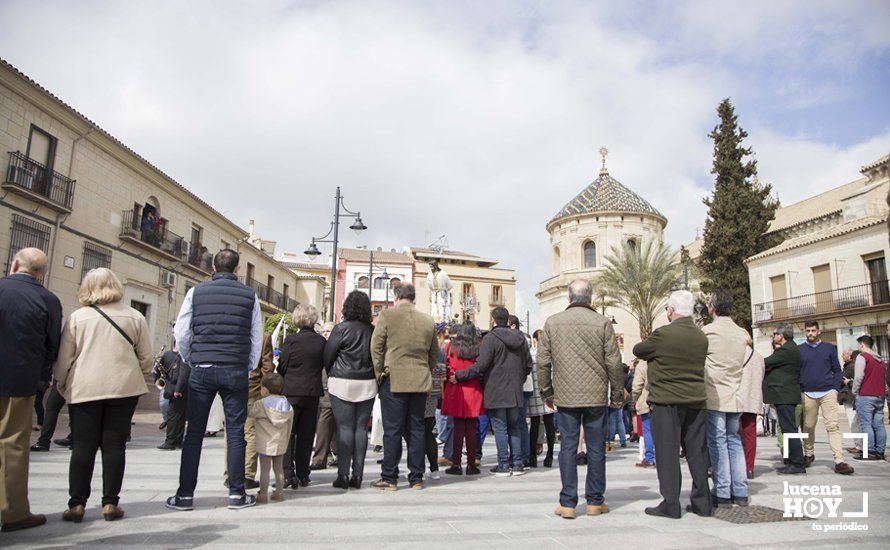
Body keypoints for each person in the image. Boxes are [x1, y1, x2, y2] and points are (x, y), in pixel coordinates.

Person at [166, 249, 264, 512]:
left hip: (202, 368)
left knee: (194, 433)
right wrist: (248, 366)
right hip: (235, 369)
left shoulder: (195, 293)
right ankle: (236, 494)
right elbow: (257, 336)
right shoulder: (249, 296)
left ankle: (185, 495)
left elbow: (182, 333)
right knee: (235, 432)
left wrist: (191, 358)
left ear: (213, 267)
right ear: (237, 269)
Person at [54, 268, 153, 522]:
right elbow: (146, 358)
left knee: (82, 446)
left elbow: (64, 359)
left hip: (85, 388)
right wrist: (133, 373)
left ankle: (76, 504)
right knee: (115, 446)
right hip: (123, 389)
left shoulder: (78, 317)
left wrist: (62, 384)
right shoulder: (135, 317)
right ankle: (110, 503)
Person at [537, 280, 622, 519]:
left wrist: (547, 391)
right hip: (596, 396)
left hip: (565, 396)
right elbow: (614, 363)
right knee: (596, 449)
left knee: (568, 447)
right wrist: (617, 395)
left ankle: (568, 503)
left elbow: (542, 362)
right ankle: (595, 502)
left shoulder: (553, 323)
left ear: (569, 298)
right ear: (591, 298)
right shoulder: (603, 323)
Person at [633, 290, 711, 519]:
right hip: (696, 400)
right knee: (697, 452)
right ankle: (702, 502)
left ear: (671, 311)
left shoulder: (663, 335)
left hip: (667, 401)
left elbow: (639, 350)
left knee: (667, 453)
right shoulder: (701, 337)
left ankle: (671, 503)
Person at [0, 248, 62, 532]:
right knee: (12, 444)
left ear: (14, 264)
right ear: (42, 273)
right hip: (20, 382)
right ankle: (13, 513)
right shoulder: (48, 299)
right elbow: (52, 346)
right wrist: (42, 378)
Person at [370, 284, 438, 490]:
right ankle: (416, 478)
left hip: (394, 378)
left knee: (392, 430)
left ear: (397, 296)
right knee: (417, 429)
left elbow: (376, 348)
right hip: (419, 380)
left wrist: (379, 373)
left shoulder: (387, 316)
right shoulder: (428, 320)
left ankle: (390, 477)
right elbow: (434, 354)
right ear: (413, 297)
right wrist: (425, 370)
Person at [454, 307, 531, 477]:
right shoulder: (521, 338)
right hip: (515, 391)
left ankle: (503, 464)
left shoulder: (490, 339)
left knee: (500, 428)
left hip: (496, 391)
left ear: (493, 320)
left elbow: (481, 366)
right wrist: (519, 380)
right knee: (514, 427)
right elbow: (528, 365)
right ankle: (517, 463)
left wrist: (460, 375)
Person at [701, 289, 750, 508]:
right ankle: (740, 490)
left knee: (717, 441)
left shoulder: (709, 332)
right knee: (735, 441)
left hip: (715, 394)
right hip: (736, 393)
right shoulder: (742, 333)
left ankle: (722, 489)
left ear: (713, 307)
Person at [324, 291, 377, 489]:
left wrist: (332, 372)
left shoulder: (340, 329)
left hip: (341, 381)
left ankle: (343, 475)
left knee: (344, 428)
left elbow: (328, 355)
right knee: (361, 428)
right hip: (367, 382)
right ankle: (358, 475)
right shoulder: (372, 330)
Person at [278, 304, 326, 488]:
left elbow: (282, 366)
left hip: (291, 391)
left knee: (288, 434)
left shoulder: (291, 340)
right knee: (306, 435)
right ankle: (303, 474)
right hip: (312, 392)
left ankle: (288, 474)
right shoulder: (321, 342)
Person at [798, 321, 853, 475]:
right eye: (807, 331)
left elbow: (837, 370)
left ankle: (839, 460)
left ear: (819, 331)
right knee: (808, 426)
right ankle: (809, 454)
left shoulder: (829, 348)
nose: (810, 333)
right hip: (807, 393)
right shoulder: (800, 350)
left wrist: (835, 389)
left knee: (832, 426)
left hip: (828, 392)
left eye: (813, 330)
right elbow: (796, 371)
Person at [442, 323, 484, 475]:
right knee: (472, 429)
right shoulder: (477, 349)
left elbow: (447, 366)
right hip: (473, 389)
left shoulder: (452, 348)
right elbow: (480, 369)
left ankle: (456, 463)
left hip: (456, 389)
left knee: (458, 428)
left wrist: (453, 377)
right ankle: (471, 464)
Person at [764, 324, 805, 474]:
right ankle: (795, 461)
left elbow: (766, 362)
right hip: (785, 395)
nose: (774, 336)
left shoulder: (786, 350)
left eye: (775, 334)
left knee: (789, 430)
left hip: (785, 395)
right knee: (788, 429)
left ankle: (797, 463)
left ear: (781, 336)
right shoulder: (791, 349)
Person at [250, 373, 294, 503]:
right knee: (279, 469)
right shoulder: (286, 404)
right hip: (280, 442)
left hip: (265, 443)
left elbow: (252, 414)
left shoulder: (260, 404)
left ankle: (263, 494)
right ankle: (279, 493)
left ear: (266, 389)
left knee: (265, 470)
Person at [240, 334, 275, 486]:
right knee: (251, 432)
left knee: (232, 431)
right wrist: (266, 390)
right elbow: (267, 367)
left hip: (233, 389)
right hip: (253, 390)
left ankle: (230, 473)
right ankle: (247, 475)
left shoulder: (233, 333)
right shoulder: (263, 338)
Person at [851, 335, 887, 460]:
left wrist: (855, 391)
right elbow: (884, 380)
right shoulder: (881, 360)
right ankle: (880, 451)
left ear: (862, 345)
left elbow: (859, 377)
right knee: (879, 425)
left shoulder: (862, 357)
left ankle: (870, 451)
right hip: (880, 396)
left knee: (866, 424)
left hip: (866, 395)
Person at [311, 322, 338, 471]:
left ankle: (319, 458)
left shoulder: (334, 346)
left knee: (324, 422)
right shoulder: (321, 346)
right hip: (321, 388)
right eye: (324, 331)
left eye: (328, 331)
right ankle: (336, 454)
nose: (325, 333)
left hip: (330, 388)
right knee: (329, 424)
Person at [527, 329, 555, 468]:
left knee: (535, 424)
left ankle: (532, 455)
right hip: (549, 390)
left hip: (534, 392)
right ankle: (549, 455)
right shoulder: (551, 354)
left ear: (534, 340)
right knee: (550, 424)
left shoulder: (531, 354)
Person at [508, 315, 533, 469]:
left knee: (518, 423)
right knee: (520, 422)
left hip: (520, 386)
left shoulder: (520, 340)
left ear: (514, 325)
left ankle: (521, 456)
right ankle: (523, 455)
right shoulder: (524, 339)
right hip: (524, 385)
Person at [738, 343, 765, 479]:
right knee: (750, 434)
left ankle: (738, 466)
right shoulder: (759, 357)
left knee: (733, 435)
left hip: (737, 399)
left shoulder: (736, 355)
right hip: (753, 399)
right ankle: (750, 468)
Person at [158, 345, 191, 450]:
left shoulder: (183, 355)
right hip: (178, 389)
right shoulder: (169, 354)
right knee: (179, 417)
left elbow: (184, 373)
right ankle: (178, 441)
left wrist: (178, 389)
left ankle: (170, 441)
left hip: (177, 390)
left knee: (173, 416)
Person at [632, 359, 655, 468]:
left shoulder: (642, 365)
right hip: (662, 402)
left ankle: (650, 458)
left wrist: (636, 398)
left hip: (646, 401)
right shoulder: (660, 360)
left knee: (647, 431)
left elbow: (636, 387)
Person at [839, 349, 861, 453]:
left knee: (853, 422)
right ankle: (858, 444)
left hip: (850, 397)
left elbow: (842, 379)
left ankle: (859, 446)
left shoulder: (851, 367)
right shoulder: (849, 366)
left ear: (850, 355)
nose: (842, 356)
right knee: (854, 422)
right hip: (849, 396)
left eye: (844, 354)